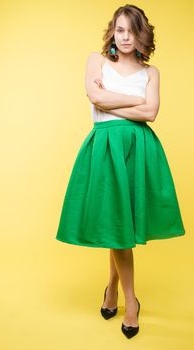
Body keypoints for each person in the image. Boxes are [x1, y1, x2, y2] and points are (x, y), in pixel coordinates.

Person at [55, 4, 185, 339]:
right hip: (106, 148)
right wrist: (132, 102)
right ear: (113, 31)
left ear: (142, 33)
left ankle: (112, 290)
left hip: (139, 150)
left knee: (121, 224)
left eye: (132, 30)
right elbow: (95, 98)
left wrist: (109, 99)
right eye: (120, 29)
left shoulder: (151, 72)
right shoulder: (96, 61)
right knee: (117, 224)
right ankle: (130, 302)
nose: (125, 37)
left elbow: (152, 112)